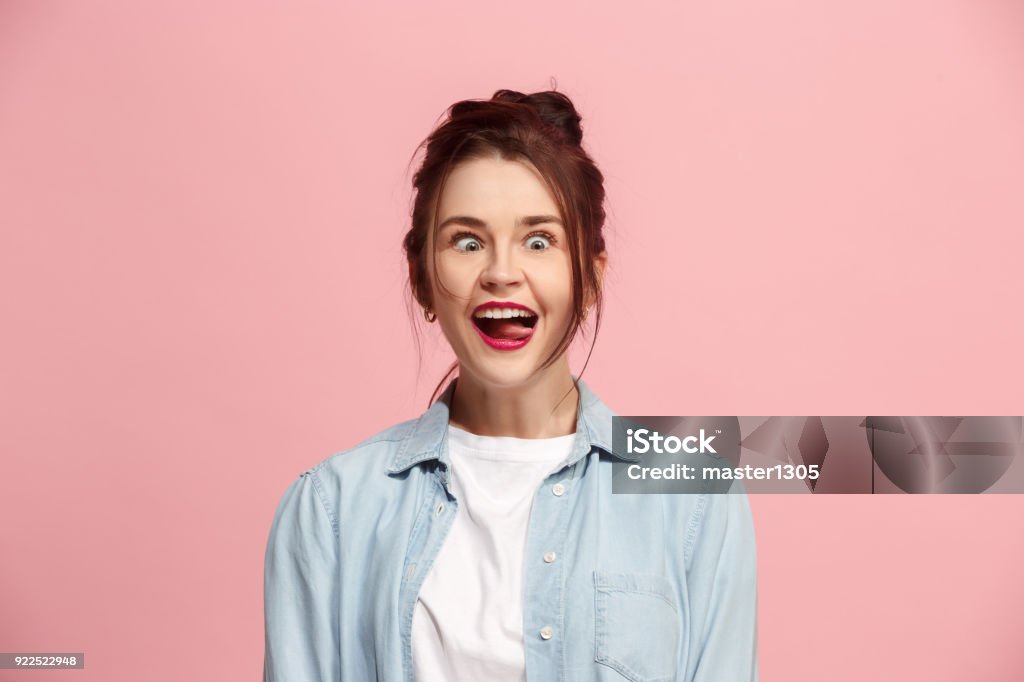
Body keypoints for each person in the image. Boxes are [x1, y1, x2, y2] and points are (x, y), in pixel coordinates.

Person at [263, 88, 758, 681]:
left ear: (590, 277)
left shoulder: (695, 496)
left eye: (539, 240)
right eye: (466, 242)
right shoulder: (332, 507)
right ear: (422, 279)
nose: (501, 272)